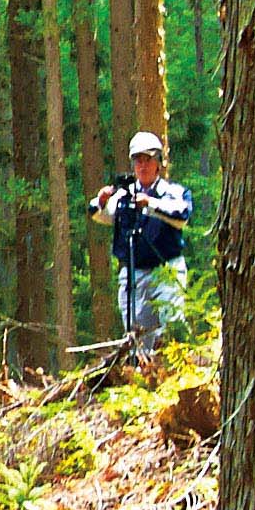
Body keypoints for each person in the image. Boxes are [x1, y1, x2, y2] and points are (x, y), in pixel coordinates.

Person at [92, 132, 196, 365]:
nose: (143, 165)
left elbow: (182, 215)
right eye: (138, 160)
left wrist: (151, 204)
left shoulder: (174, 192)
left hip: (166, 270)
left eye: (148, 159)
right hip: (133, 275)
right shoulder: (123, 196)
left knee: (170, 326)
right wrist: (101, 200)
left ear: (159, 162)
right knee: (138, 334)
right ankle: (142, 380)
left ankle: (175, 375)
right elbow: (98, 214)